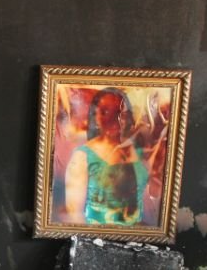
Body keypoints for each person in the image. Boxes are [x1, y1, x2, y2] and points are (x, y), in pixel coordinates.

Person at [63, 87, 149, 225]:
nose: (113, 119)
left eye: (119, 112)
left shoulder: (139, 150)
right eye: (105, 112)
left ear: (127, 116)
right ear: (95, 116)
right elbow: (74, 214)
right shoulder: (82, 157)